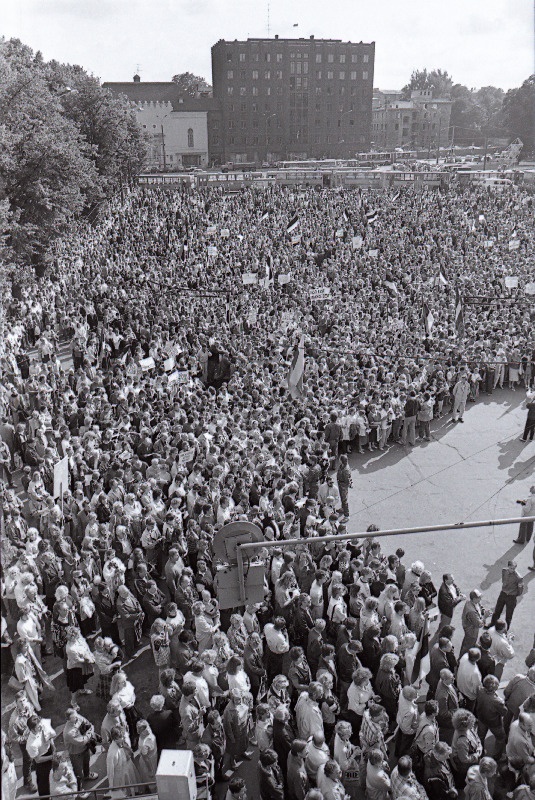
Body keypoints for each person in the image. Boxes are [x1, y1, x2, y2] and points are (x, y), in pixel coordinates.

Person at [63, 707, 99, 789]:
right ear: (68, 720)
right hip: (76, 754)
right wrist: (90, 732)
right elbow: (82, 741)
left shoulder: (77, 717)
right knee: (78, 772)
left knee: (86, 763)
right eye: (74, 718)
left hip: (85, 748)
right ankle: (79, 788)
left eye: (76, 715)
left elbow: (88, 723)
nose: (77, 718)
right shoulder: (69, 732)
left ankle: (87, 775)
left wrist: (90, 729)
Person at [474, 675, 506, 760]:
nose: (498, 685)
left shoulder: (480, 690)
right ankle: (497, 756)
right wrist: (502, 702)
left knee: (480, 737)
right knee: (501, 738)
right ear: (494, 687)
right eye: (497, 684)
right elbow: (504, 712)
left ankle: (480, 753)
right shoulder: (497, 701)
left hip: (481, 719)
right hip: (494, 723)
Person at [26, 715, 56, 799]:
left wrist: (53, 747)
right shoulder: (31, 744)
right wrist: (52, 757)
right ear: (32, 730)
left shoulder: (42, 725)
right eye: (38, 727)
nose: (41, 727)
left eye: (40, 725)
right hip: (42, 761)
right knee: (43, 783)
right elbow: (38, 760)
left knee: (56, 775)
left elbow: (49, 735)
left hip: (49, 751)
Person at [106, 725, 140, 797]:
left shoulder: (121, 742)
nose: (124, 737)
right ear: (116, 738)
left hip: (127, 767)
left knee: (131, 783)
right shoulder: (112, 754)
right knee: (124, 790)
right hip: (120, 774)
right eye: (122, 737)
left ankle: (132, 793)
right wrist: (111, 786)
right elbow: (110, 771)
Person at [490, 561, 524, 629]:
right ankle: (492, 624)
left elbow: (520, 590)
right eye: (511, 568)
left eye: (514, 568)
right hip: (503, 593)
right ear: (508, 566)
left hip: (511, 597)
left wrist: (514, 594)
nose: (512, 570)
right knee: (497, 610)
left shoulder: (519, 577)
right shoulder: (504, 571)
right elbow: (503, 580)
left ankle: (506, 629)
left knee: (509, 614)